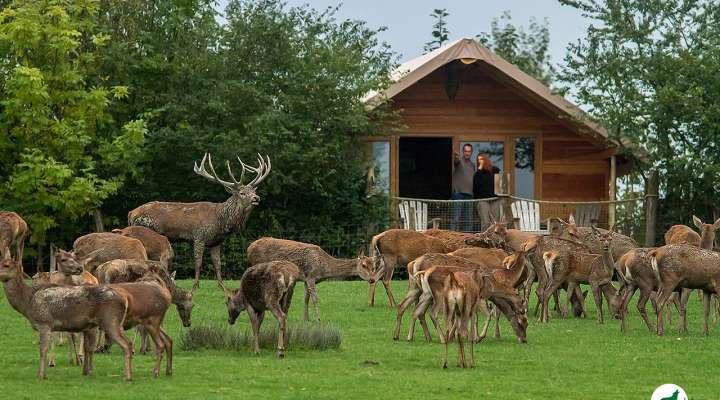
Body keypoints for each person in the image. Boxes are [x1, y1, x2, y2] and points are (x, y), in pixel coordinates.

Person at [473, 153, 501, 231]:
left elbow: (499, 184)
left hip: (494, 200)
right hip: (483, 200)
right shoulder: (477, 174)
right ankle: (484, 240)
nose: (480, 161)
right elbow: (475, 189)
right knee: (485, 222)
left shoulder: (495, 170)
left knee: (495, 223)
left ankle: (494, 240)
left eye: (481, 159)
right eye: (478, 160)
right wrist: (477, 200)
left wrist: (499, 195)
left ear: (486, 160)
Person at [451, 144, 475, 231]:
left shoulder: (473, 165)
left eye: (469, 151)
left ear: (471, 152)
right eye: (465, 151)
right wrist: (456, 157)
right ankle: (452, 238)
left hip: (469, 195)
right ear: (463, 152)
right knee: (456, 218)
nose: (467, 153)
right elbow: (456, 161)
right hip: (458, 194)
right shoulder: (459, 161)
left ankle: (467, 239)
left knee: (468, 220)